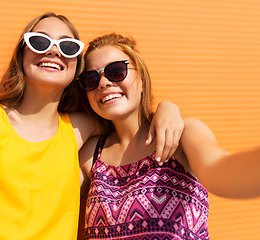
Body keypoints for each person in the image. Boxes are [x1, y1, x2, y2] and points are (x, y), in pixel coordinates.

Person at [0, 13, 184, 239]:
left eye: (67, 46)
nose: (52, 50)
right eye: (39, 41)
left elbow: (126, 112)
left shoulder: (80, 129)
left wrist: (166, 108)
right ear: (22, 55)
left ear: (76, 68)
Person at [77, 33, 260, 240]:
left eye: (116, 71)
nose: (103, 83)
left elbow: (224, 172)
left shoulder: (184, 134)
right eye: (91, 79)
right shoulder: (90, 155)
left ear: (142, 80)